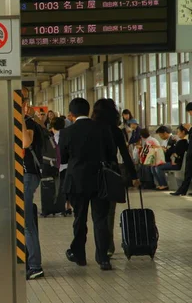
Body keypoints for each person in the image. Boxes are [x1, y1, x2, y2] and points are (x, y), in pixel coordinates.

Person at [59, 98, 114, 271]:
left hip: (77, 181)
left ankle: (80, 255)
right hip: (100, 179)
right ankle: (103, 258)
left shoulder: (67, 132)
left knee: (79, 218)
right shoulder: (103, 128)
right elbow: (112, 153)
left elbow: (64, 157)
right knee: (100, 219)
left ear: (72, 114)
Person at [91, 99, 140, 257]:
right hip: (111, 173)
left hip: (92, 173)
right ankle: (108, 246)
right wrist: (133, 176)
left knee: (97, 214)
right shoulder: (116, 131)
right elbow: (125, 155)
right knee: (109, 212)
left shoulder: (91, 129)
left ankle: (101, 247)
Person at [23, 100, 44, 280]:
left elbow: (24, 142)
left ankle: (35, 265)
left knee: (27, 222)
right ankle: (29, 262)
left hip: (28, 175)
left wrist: (20, 118)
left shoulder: (29, 123)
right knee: (24, 221)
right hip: (21, 176)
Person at [152, 125, 188, 190]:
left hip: (175, 163)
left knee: (158, 167)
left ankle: (164, 185)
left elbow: (174, 152)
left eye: (178, 132)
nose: (177, 134)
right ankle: (161, 184)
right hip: (171, 161)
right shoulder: (169, 140)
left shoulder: (175, 140)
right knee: (153, 166)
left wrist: (165, 150)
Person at [50, 117, 72, 215]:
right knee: (67, 186)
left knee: (57, 186)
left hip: (57, 166)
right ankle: (68, 206)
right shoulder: (67, 136)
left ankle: (58, 205)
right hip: (67, 165)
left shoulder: (52, 138)